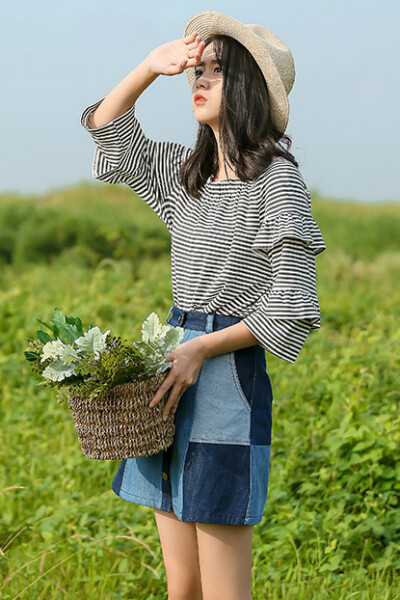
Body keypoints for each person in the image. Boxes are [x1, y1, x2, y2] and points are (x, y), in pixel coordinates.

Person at [80, 10, 327, 600]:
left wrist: (202, 348)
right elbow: (108, 132)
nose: (201, 80)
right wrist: (149, 66)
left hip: (225, 384)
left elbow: (292, 301)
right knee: (182, 586)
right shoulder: (184, 173)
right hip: (168, 372)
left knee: (222, 591)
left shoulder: (275, 181)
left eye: (218, 72)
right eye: (201, 68)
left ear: (248, 89)